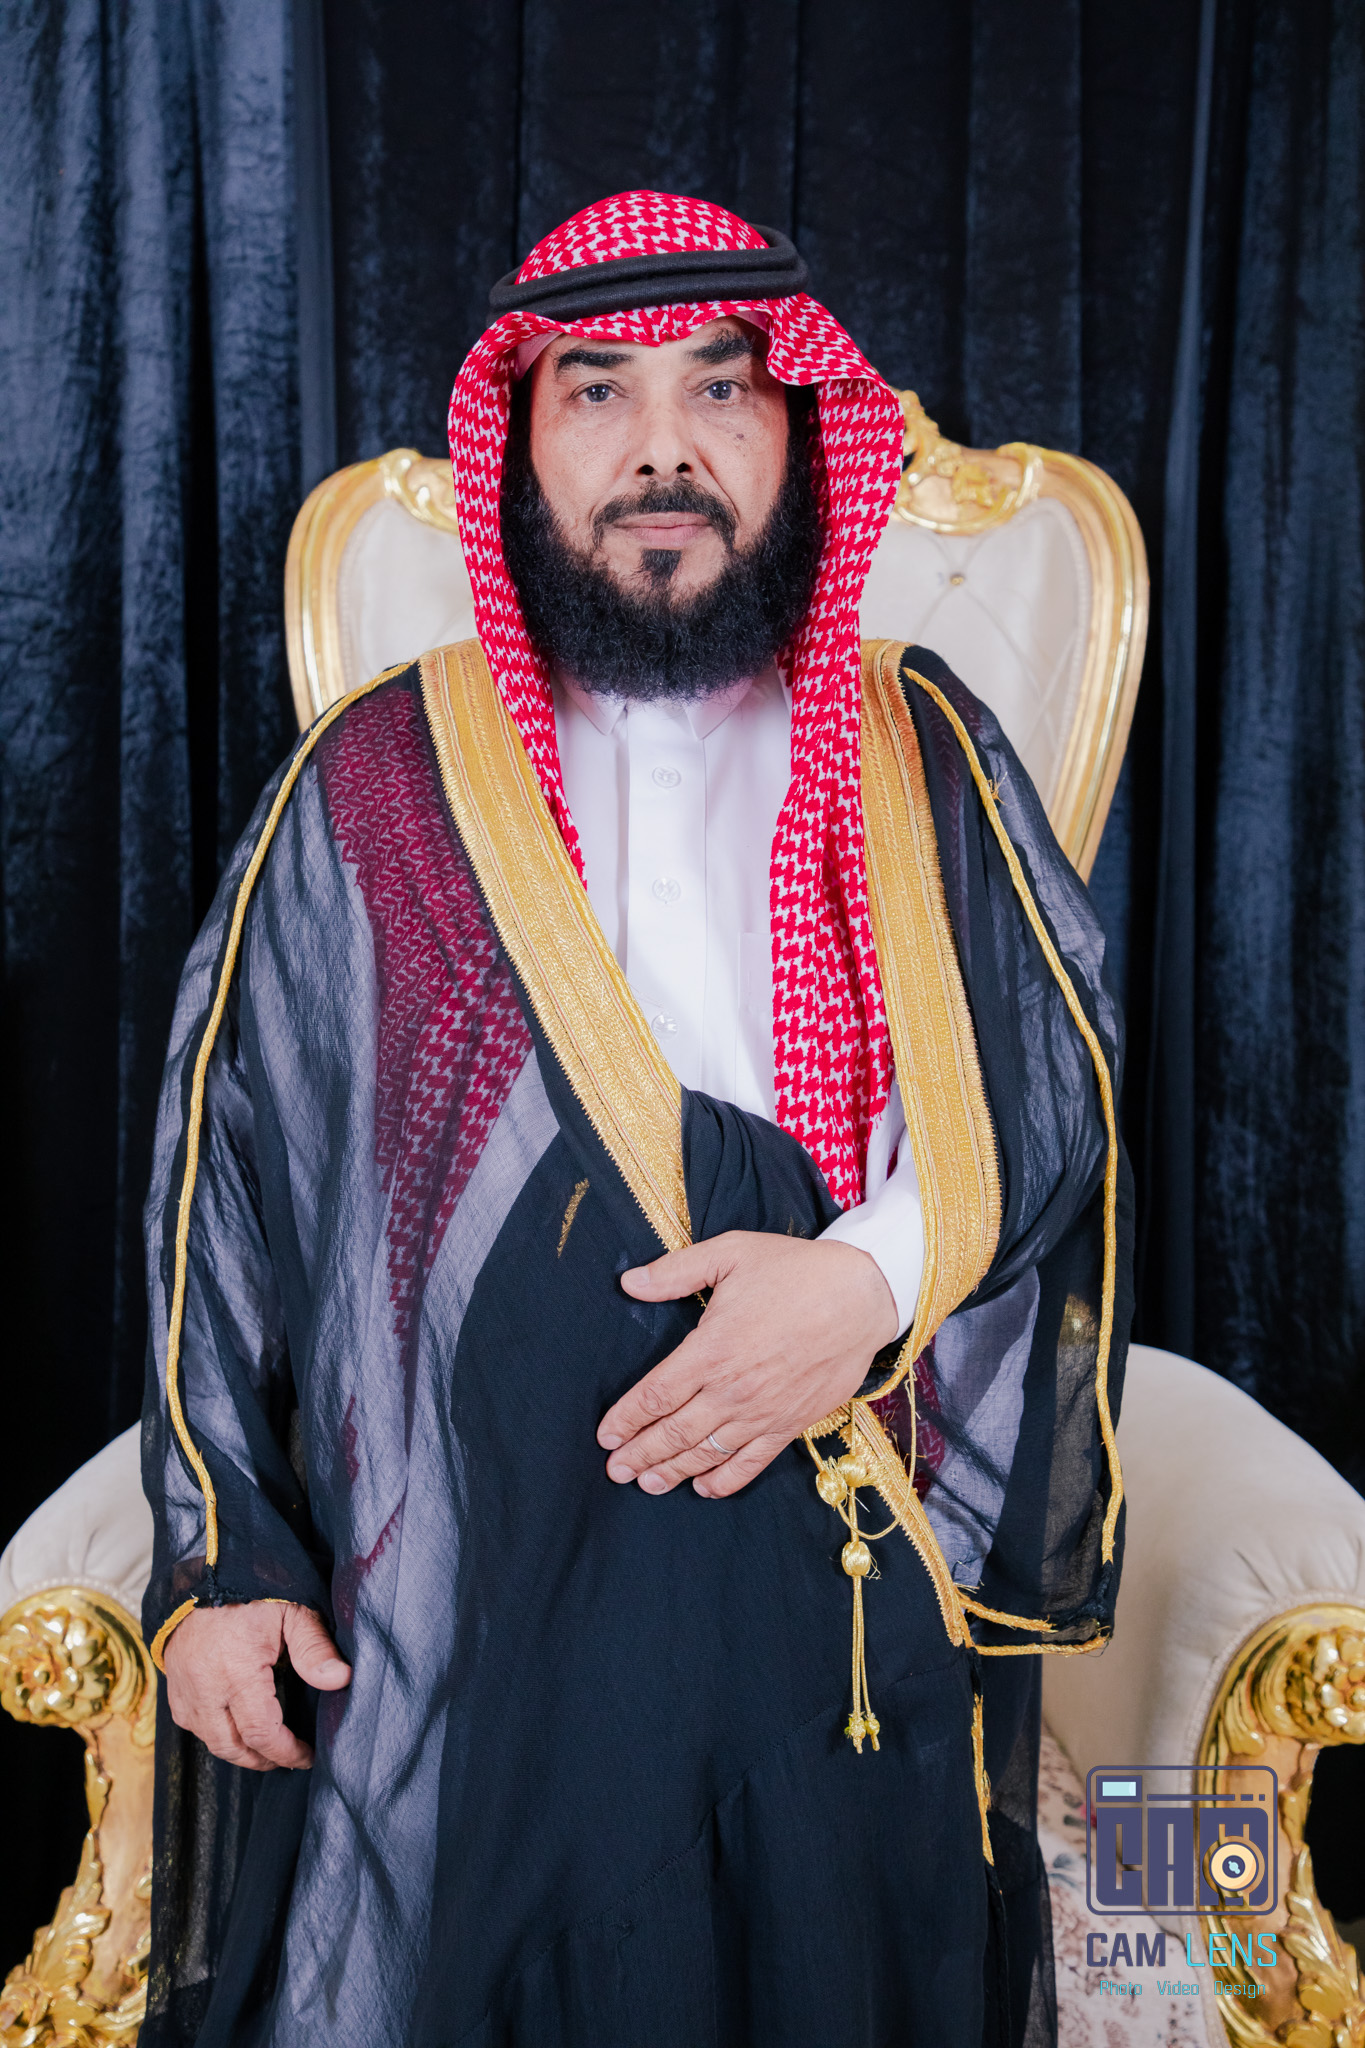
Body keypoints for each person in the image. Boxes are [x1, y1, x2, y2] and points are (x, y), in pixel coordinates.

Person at [140, 192, 1132, 2048]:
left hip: (830, 1526)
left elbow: (1047, 1090)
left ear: (797, 430)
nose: (661, 448)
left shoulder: (920, 751)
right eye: (596, 389)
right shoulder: (380, 774)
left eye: (720, 388)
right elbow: (231, 1176)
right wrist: (224, 1558)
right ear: (517, 444)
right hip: (472, 1552)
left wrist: (861, 1285)